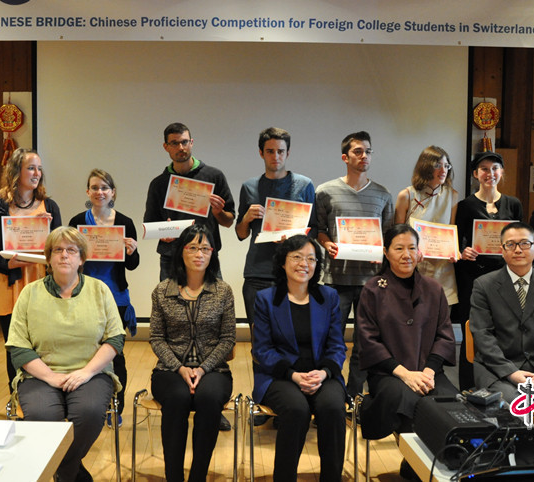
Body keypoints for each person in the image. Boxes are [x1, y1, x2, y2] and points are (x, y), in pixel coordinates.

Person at [6, 227, 124, 482]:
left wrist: (86, 372)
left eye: (72, 250)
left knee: (90, 412)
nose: (64, 256)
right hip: (40, 374)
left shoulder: (100, 290)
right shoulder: (29, 293)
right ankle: (74, 474)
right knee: (41, 416)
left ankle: (63, 472)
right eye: (57, 250)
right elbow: (18, 346)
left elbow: (115, 339)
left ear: (81, 258)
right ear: (48, 258)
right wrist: (50, 377)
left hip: (91, 372)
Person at [252, 234, 347, 482]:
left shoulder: (329, 297)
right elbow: (262, 349)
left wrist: (325, 372)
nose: (304, 263)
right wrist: (293, 375)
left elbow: (337, 345)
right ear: (282, 263)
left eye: (311, 258)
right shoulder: (266, 299)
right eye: (296, 257)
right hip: (281, 376)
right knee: (296, 409)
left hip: (321, 375)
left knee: (333, 407)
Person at [149, 224, 236, 482]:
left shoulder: (223, 291)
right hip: (170, 370)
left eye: (205, 248)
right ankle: (173, 477)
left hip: (214, 370)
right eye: (193, 247)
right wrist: (180, 368)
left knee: (209, 400)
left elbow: (228, 338)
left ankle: (198, 476)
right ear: (181, 252)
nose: (200, 253)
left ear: (212, 254)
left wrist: (202, 368)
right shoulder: (162, 291)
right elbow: (156, 338)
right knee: (176, 399)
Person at [356, 224, 457, 444]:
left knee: (451, 402)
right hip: (388, 374)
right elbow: (368, 340)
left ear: (419, 253)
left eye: (412, 248)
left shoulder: (434, 289)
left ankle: (442, 464)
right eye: (399, 248)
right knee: (408, 401)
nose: (406, 255)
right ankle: (414, 465)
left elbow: (445, 336)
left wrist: (429, 372)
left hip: (429, 373)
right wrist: (405, 374)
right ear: (386, 252)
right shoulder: (372, 290)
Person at [315, 131, 394, 398]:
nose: (364, 156)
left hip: (370, 281)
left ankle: (355, 393)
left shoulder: (383, 195)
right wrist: (327, 244)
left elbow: (388, 235)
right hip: (335, 279)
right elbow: (319, 230)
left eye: (368, 151)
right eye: (358, 151)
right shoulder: (325, 191)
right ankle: (333, 389)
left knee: (365, 341)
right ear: (345, 157)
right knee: (332, 338)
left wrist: (382, 250)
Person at [0, 148, 62, 390]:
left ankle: (43, 395)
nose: (37, 173)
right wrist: (6, 263)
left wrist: (47, 231)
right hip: (8, 281)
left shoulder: (49, 206)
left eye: (39, 168)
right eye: (31, 168)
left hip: (40, 282)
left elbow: (61, 248)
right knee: (14, 345)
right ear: (16, 171)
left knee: (42, 343)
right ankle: (16, 395)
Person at [469, 222, 534, 403]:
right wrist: (511, 372)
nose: (518, 250)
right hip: (497, 370)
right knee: (518, 408)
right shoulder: (484, 285)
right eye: (510, 244)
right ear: (502, 249)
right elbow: (482, 335)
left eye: (525, 243)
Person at [68, 168, 138, 425]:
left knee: (115, 355)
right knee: (85, 352)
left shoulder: (125, 222)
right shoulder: (78, 221)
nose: (100, 192)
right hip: (83, 296)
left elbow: (132, 266)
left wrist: (132, 251)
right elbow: (70, 260)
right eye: (95, 188)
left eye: (105, 187)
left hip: (116, 297)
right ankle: (86, 405)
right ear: (88, 192)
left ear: (113, 192)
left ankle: (115, 408)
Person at [454, 151, 523, 389]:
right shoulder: (465, 205)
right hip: (472, 277)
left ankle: (501, 384)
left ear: (502, 173)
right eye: (484, 169)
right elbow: (457, 241)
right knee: (471, 332)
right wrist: (463, 252)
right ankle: (468, 387)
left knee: (504, 331)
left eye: (495, 168)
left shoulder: (513, 204)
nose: (489, 173)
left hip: (505, 279)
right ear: (475, 174)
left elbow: (521, 239)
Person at [236, 127, 315, 329]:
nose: (275, 156)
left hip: (294, 273)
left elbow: (313, 230)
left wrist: (293, 240)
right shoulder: (249, 187)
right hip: (257, 273)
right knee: (258, 337)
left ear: (287, 153)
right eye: (270, 151)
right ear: (261, 153)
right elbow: (241, 234)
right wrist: (245, 219)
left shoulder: (304, 185)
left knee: (291, 335)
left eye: (280, 151)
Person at [144, 122, 235, 281]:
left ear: (191, 143)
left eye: (184, 142)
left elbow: (229, 221)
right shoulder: (158, 184)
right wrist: (163, 233)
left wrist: (218, 212)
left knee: (213, 305)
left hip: (206, 256)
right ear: (166, 147)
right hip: (171, 258)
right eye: (175, 143)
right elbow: (150, 225)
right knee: (170, 305)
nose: (181, 147)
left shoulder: (214, 176)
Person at [394, 145, 459, 306]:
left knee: (442, 321)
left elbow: (452, 230)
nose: (443, 170)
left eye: (446, 165)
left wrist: (455, 250)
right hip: (414, 266)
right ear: (425, 167)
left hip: (443, 268)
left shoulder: (452, 195)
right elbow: (397, 235)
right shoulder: (407, 195)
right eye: (438, 165)